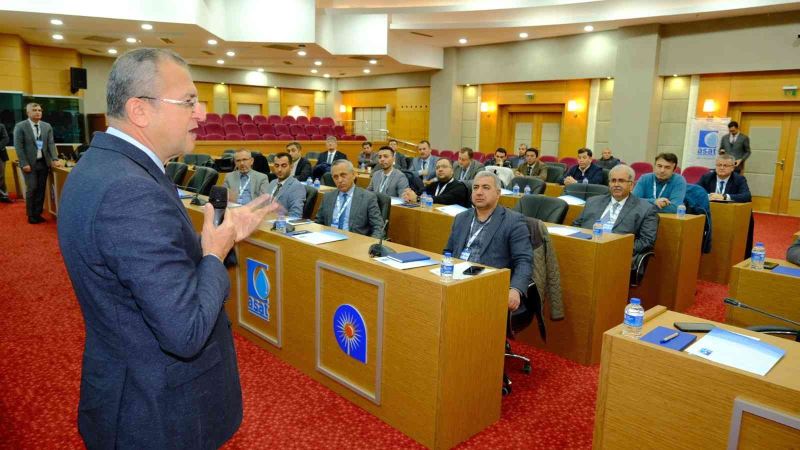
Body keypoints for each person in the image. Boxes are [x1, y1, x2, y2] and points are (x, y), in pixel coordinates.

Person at [56, 48, 279, 449]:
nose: (202, 114)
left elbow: (156, 267)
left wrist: (222, 238)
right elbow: (185, 331)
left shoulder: (102, 167)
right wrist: (214, 252)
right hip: (158, 411)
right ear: (140, 110)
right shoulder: (130, 191)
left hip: (131, 385)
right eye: (189, 101)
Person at [444, 171, 532, 311]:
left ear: (498, 193)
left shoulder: (513, 221)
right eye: (476, 187)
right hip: (456, 282)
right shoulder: (461, 218)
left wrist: (515, 289)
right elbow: (448, 251)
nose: (479, 192)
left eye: (486, 187)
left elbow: (524, 260)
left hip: (489, 286)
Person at [573, 165, 659, 256]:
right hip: (585, 249)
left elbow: (647, 241)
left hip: (616, 255)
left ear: (631, 185)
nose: (616, 185)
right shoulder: (592, 201)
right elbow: (576, 226)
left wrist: (615, 249)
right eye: (613, 180)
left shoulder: (646, 209)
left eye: (621, 181)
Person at [14, 102, 63, 223]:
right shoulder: (20, 126)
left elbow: (50, 143)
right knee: (32, 188)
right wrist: (24, 163)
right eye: (34, 110)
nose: (38, 112)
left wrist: (55, 159)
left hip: (43, 162)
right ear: (28, 112)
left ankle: (38, 213)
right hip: (29, 164)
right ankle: (31, 215)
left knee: (41, 189)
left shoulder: (47, 126)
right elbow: (19, 147)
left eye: (39, 110)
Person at [316, 159, 384, 238]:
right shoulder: (328, 196)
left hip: (355, 241)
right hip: (329, 239)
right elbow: (318, 222)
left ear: (354, 175)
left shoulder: (368, 197)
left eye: (343, 175)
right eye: (335, 177)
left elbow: (379, 227)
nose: (339, 180)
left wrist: (370, 244)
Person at [401, 158, 470, 207]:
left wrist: (418, 198)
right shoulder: (434, 184)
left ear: (452, 171)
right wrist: (409, 194)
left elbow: (443, 199)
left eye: (444, 167)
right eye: (437, 167)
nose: (440, 169)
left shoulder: (460, 187)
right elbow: (420, 192)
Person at [265, 152, 306, 217]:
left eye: (284, 166)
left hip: (279, 221)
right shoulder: (272, 183)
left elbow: (295, 215)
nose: (279, 169)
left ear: (291, 166)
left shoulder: (297, 187)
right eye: (277, 166)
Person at [0, 124, 9, 202]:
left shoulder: (1, 126)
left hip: (0, 155)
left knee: (1, 176)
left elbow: (6, 138)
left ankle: (3, 196)